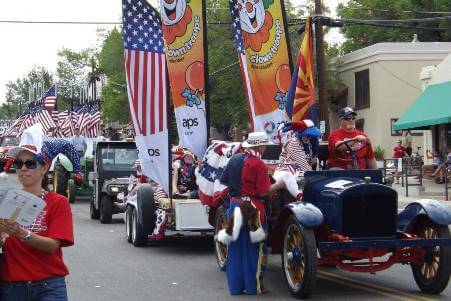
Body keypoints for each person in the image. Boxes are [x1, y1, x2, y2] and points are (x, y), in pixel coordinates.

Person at [0, 142, 75, 301]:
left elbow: (52, 246)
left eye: (30, 163)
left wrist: (21, 233)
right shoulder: (5, 199)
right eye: (19, 164)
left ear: (44, 167)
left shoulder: (57, 202)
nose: (23, 168)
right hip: (12, 287)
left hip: (49, 286)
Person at [219, 132, 284, 295]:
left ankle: (235, 288)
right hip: (253, 209)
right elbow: (263, 192)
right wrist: (279, 185)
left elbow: (223, 179)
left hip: (234, 206)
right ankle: (252, 287)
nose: (264, 149)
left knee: (234, 248)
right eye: (264, 146)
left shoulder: (234, 159)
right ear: (260, 146)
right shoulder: (259, 164)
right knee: (254, 249)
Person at [273, 120, 321, 200]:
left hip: (298, 171)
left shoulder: (307, 143)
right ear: (301, 133)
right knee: (301, 175)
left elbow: (308, 163)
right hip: (284, 172)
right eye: (307, 135)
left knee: (303, 176)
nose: (309, 138)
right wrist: (315, 176)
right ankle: (302, 198)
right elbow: (303, 164)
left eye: (310, 136)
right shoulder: (293, 143)